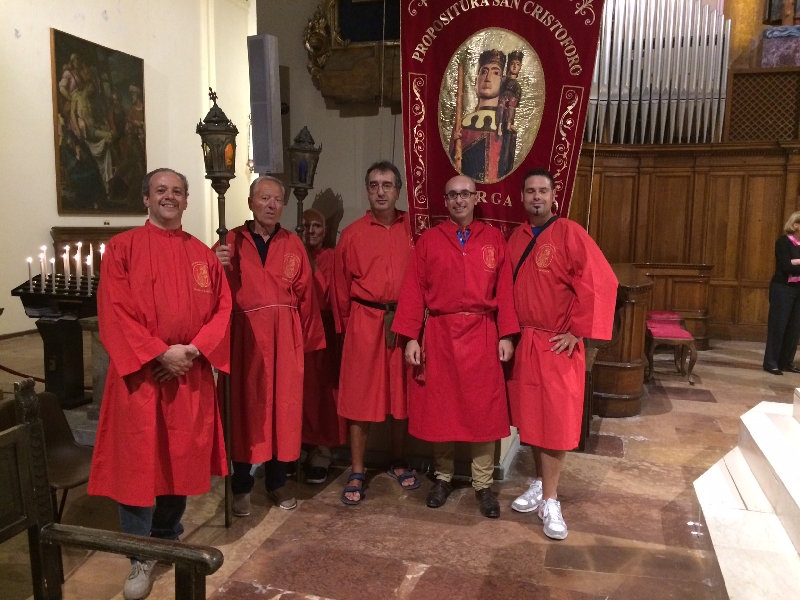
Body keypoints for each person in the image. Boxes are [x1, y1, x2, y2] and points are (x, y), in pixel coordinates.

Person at [88, 168, 232, 600]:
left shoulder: (203, 256)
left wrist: (192, 351)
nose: (170, 197)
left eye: (177, 191)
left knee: (179, 461)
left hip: (186, 376)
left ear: (187, 200)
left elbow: (223, 309)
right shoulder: (122, 249)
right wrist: (158, 354)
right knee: (138, 466)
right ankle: (140, 554)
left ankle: (168, 537)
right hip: (141, 378)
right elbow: (114, 310)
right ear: (146, 199)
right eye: (161, 190)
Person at [392, 174, 519, 518]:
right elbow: (414, 289)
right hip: (440, 334)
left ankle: (483, 484)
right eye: (452, 195)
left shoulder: (494, 239)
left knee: (483, 410)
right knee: (441, 408)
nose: (459, 200)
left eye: (465, 194)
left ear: (476, 198)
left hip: (483, 334)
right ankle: (443, 477)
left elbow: (505, 290)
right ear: (445, 201)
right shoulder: (430, 241)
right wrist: (411, 336)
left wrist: (506, 335)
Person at [507, 168, 617, 540]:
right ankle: (541, 484)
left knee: (555, 423)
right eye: (530, 191)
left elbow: (600, 280)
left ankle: (551, 501)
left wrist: (577, 331)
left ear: (554, 196)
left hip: (557, 343)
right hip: (527, 342)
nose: (536, 197)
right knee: (532, 420)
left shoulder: (569, 233)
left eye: (543, 191)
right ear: (522, 197)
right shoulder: (517, 238)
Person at [215, 176, 324, 515]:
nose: (271, 205)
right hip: (244, 341)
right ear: (250, 202)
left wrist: (306, 346)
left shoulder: (293, 244)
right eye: (264, 198)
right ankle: (241, 485)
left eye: (277, 200)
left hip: (284, 342)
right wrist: (215, 264)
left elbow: (306, 297)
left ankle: (277, 481)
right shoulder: (229, 241)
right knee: (245, 411)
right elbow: (211, 292)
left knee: (282, 411)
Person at [333, 161, 418, 504]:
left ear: (398, 191)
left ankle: (398, 459)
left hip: (404, 321)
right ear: (367, 191)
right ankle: (357, 469)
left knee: (401, 393)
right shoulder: (352, 234)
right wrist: (346, 331)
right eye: (374, 185)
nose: (380, 192)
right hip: (364, 321)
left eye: (387, 185)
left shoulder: (415, 228)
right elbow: (340, 288)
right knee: (359, 397)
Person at [301, 208, 347, 482]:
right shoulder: (290, 253)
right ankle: (301, 446)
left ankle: (322, 451)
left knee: (324, 394)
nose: (311, 231)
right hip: (298, 333)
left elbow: (327, 295)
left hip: (325, 333)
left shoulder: (331, 256)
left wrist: (309, 260)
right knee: (300, 393)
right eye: (305, 225)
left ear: (325, 230)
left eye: (316, 225)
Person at [450, 49, 512, 183]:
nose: (488, 78)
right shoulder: (463, 123)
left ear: (503, 81)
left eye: (496, 73)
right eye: (483, 71)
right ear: (476, 80)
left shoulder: (505, 123)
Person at [763, 210, 800, 375]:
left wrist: (796, 262)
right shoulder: (783, 242)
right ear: (796, 225)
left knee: (794, 328)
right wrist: (794, 263)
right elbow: (786, 266)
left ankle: (786, 362)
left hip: (798, 289)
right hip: (783, 289)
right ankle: (771, 362)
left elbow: (793, 265)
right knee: (778, 326)